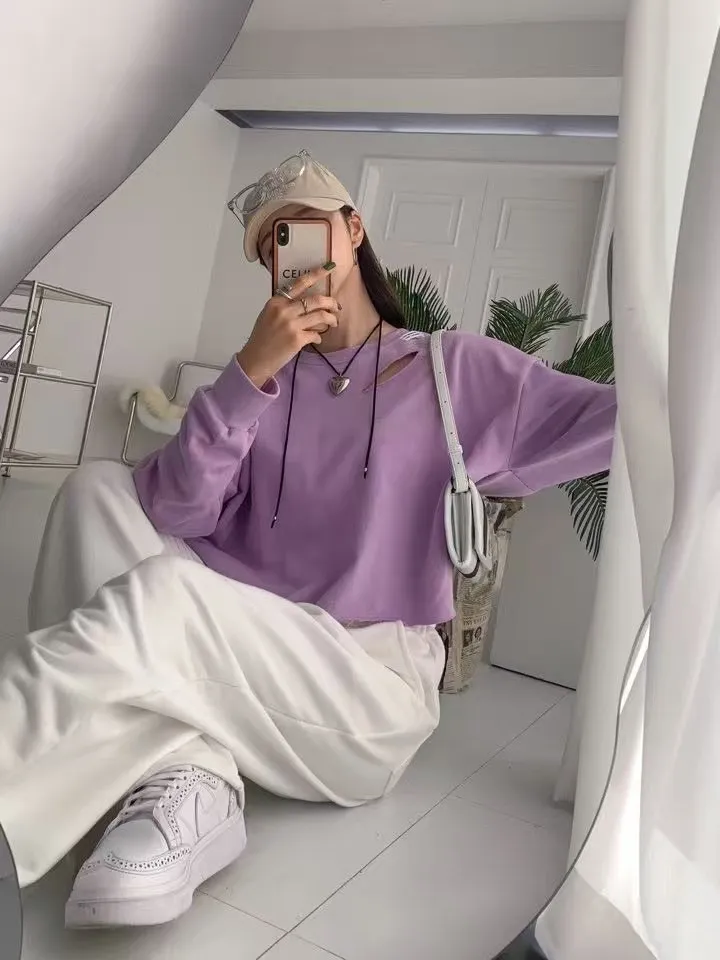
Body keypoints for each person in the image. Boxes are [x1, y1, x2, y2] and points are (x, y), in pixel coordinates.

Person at [0, 152, 617, 930]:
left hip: (362, 682)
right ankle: (192, 776)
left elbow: (618, 420)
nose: (286, 255)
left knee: (165, 595)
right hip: (242, 636)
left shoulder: (453, 370)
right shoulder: (265, 380)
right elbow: (177, 511)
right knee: (96, 488)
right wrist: (248, 375)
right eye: (271, 249)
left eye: (301, 230)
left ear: (353, 230)